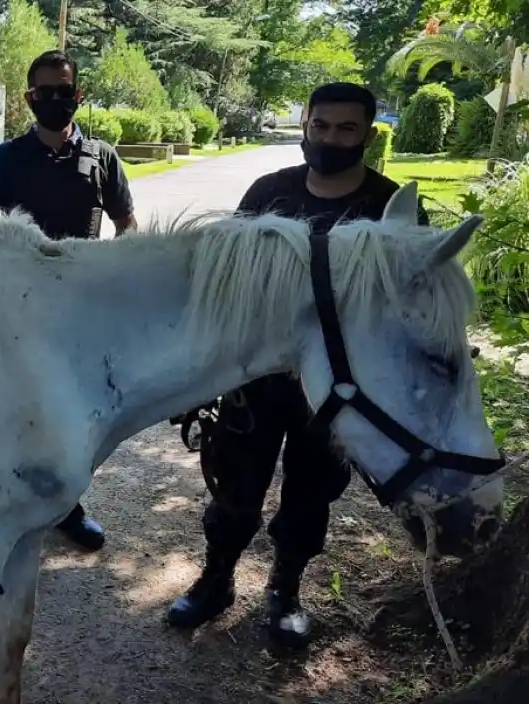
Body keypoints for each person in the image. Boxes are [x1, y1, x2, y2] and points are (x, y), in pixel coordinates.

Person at [165, 82, 430, 647]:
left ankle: (285, 592)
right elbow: (227, 283)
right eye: (321, 127)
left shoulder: (391, 209)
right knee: (234, 491)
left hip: (339, 393)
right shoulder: (270, 191)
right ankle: (216, 583)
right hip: (259, 383)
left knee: (311, 497)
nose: (330, 139)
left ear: (367, 134)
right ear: (306, 126)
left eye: (346, 129)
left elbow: (409, 306)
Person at [0, 49, 138, 552]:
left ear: (78, 94)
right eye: (45, 92)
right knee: (16, 404)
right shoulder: (7, 158)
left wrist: (116, 272)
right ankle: (12, 499)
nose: (55, 100)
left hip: (82, 309)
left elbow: (127, 224)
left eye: (64, 91)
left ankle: (67, 505)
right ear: (29, 98)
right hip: (20, 307)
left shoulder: (103, 157)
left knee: (79, 413)